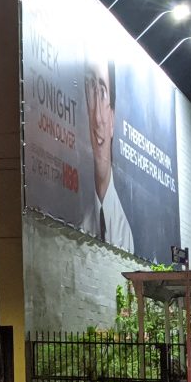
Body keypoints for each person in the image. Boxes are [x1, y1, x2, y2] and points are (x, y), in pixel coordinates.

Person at [81, 48, 134, 253]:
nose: (97, 118)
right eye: (89, 87)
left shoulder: (126, 232)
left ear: (112, 119)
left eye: (102, 92)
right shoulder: (78, 221)